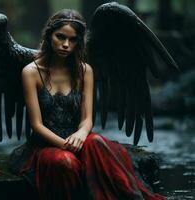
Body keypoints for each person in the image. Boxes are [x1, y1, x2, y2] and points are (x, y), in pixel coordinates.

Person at [9, 9, 166, 200]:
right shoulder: (31, 72)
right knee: (66, 162)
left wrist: (82, 134)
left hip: (79, 139)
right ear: (49, 35)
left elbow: (87, 119)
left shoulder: (85, 71)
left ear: (79, 42)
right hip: (45, 145)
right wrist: (65, 145)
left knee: (98, 142)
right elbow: (36, 125)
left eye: (73, 39)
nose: (66, 44)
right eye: (60, 37)